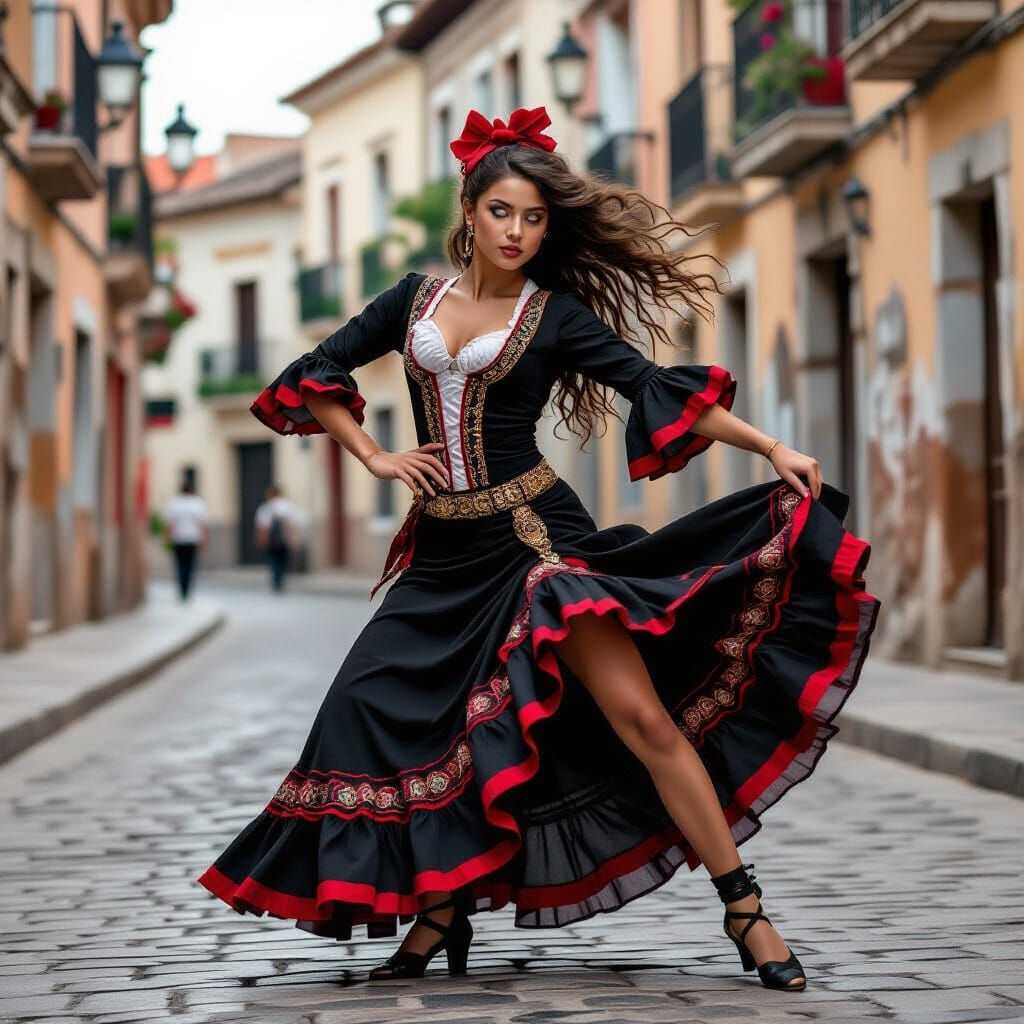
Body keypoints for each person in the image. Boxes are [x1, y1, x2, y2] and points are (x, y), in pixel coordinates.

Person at [198, 106, 880, 992]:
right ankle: (439, 909)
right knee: (361, 709)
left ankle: (745, 908)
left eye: (533, 217)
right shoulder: (411, 300)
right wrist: (376, 455)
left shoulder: (552, 316)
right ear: (469, 212)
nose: (517, 231)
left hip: (535, 546)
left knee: (643, 722)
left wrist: (771, 446)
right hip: (442, 555)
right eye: (501, 213)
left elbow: (656, 388)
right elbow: (314, 374)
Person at [163, 476, 208, 601]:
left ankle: (182, 590)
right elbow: (202, 524)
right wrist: (203, 539)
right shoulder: (197, 503)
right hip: (192, 539)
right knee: (190, 566)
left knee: (180, 566)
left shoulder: (174, 503)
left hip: (178, 539)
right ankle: (186, 590)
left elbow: (170, 524)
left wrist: (167, 538)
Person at [254, 484, 300, 592]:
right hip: (284, 539)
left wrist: (261, 539)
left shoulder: (266, 507)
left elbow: (263, 526)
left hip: (272, 540)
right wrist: (293, 539)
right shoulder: (288, 506)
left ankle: (276, 580)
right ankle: (280, 580)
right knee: (283, 561)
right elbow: (293, 524)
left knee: (273, 561)